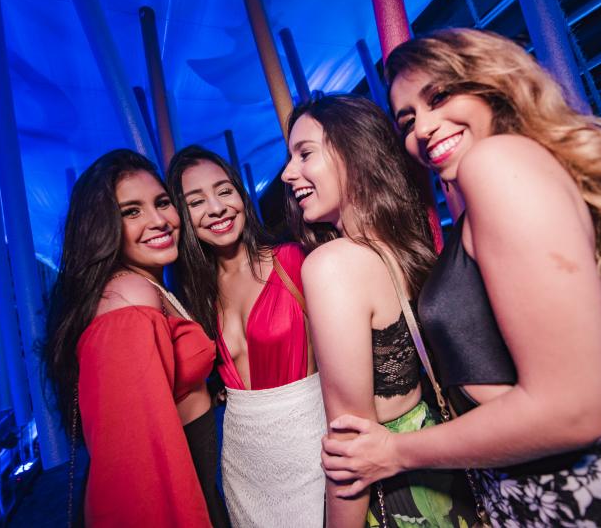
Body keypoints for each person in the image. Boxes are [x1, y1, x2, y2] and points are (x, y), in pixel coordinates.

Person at [319, 29, 601, 526]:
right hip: (546, 491)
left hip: (581, 499)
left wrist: (395, 452)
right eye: (408, 120)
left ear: (490, 86)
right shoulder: (496, 183)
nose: (425, 128)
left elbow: (573, 411)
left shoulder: (495, 163)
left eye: (440, 97)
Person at [281, 95, 477, 527]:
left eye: (305, 154)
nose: (287, 173)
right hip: (443, 474)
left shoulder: (333, 265)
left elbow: (351, 443)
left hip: (397, 493)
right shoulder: (404, 247)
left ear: (354, 152)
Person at [43, 149, 227, 527]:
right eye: (131, 212)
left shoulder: (148, 285)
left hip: (197, 486)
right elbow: (138, 467)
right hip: (170, 504)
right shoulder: (129, 297)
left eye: (162, 203)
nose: (158, 221)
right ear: (102, 228)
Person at [166, 145, 326, 527]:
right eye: (196, 202)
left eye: (224, 191)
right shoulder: (195, 298)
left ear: (241, 195)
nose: (217, 208)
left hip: (312, 451)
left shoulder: (294, 261)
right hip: (244, 466)